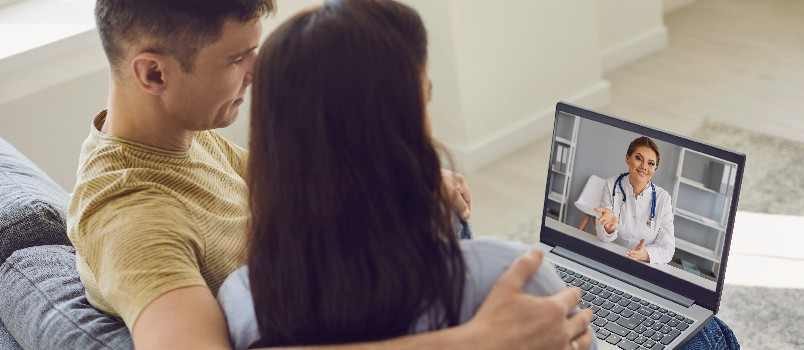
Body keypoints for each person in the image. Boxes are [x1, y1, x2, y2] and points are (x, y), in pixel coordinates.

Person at [65, 0, 589, 349]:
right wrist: (480, 339)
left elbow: (306, 184)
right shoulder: (131, 219)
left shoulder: (185, 136)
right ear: (153, 72)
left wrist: (402, 178)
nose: (257, 70)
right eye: (237, 58)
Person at [594, 136, 675, 264]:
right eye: (638, 158)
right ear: (627, 158)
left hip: (643, 266)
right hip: (610, 259)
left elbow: (667, 249)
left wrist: (645, 254)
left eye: (651, 163)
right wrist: (609, 229)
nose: (644, 167)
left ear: (655, 169)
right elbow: (601, 236)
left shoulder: (663, 199)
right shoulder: (611, 185)